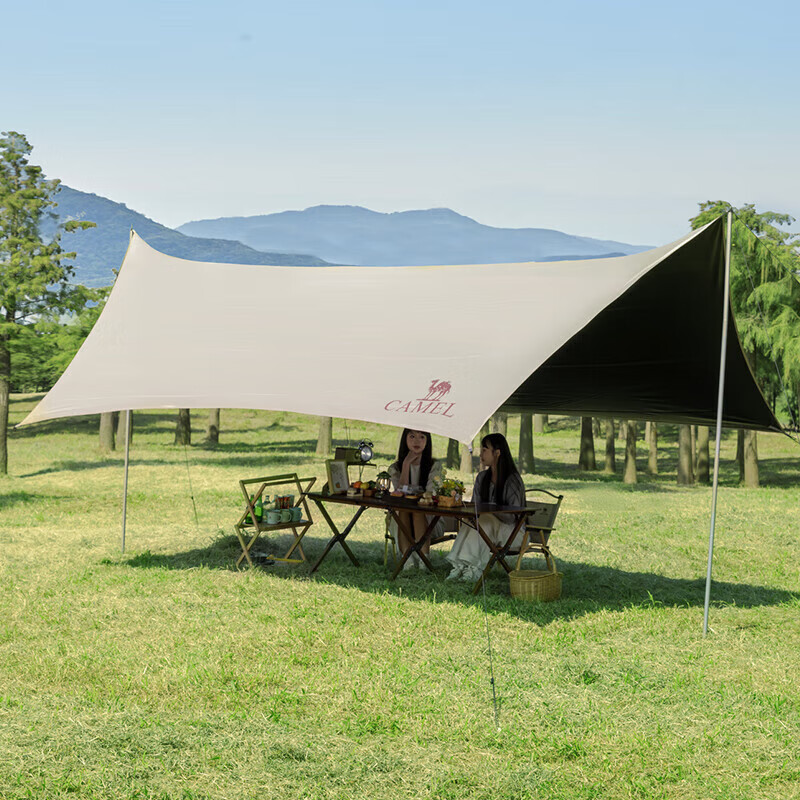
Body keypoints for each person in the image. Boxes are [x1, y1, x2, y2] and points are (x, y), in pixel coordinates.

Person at [446, 432, 526, 582]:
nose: (480, 453)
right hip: (489, 529)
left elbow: (511, 516)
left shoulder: (512, 480)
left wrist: (489, 511)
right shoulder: (482, 477)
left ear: (497, 453)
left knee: (484, 519)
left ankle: (473, 569)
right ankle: (459, 566)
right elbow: (475, 508)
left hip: (513, 533)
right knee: (474, 521)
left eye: (484, 449)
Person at [387, 429, 443, 570]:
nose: (416, 441)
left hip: (428, 515)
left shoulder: (434, 466)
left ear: (427, 440)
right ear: (405, 440)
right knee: (404, 509)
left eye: (421, 437)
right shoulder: (395, 467)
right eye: (412, 436)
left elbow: (432, 493)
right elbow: (399, 493)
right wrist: (406, 465)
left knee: (417, 511)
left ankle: (424, 558)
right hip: (401, 514)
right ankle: (408, 560)